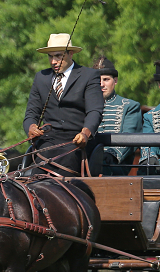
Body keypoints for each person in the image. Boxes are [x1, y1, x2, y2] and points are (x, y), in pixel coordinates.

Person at [23, 33, 104, 177]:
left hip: (76, 141)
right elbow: (31, 113)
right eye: (50, 56)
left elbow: (95, 111)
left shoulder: (88, 76)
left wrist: (85, 133)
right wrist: (31, 128)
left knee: (64, 170)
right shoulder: (41, 78)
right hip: (48, 141)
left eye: (58, 56)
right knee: (34, 177)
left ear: (70, 53)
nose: (53, 61)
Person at [91, 56, 142, 175]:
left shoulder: (130, 106)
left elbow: (129, 138)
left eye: (106, 79)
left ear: (115, 80)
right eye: (97, 80)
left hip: (115, 165)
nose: (101, 84)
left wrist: (112, 154)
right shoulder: (83, 106)